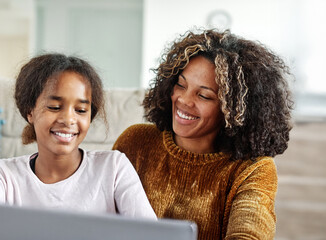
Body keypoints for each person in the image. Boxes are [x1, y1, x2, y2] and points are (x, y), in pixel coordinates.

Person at [113, 29, 293, 239]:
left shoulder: (253, 169)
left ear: (233, 110)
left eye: (204, 96)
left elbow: (250, 232)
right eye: (180, 85)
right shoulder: (135, 142)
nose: (183, 100)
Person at [0, 53, 156, 239]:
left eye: (81, 110)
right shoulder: (5, 174)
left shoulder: (114, 167)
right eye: (54, 107)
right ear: (30, 111)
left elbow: (149, 233)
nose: (69, 119)